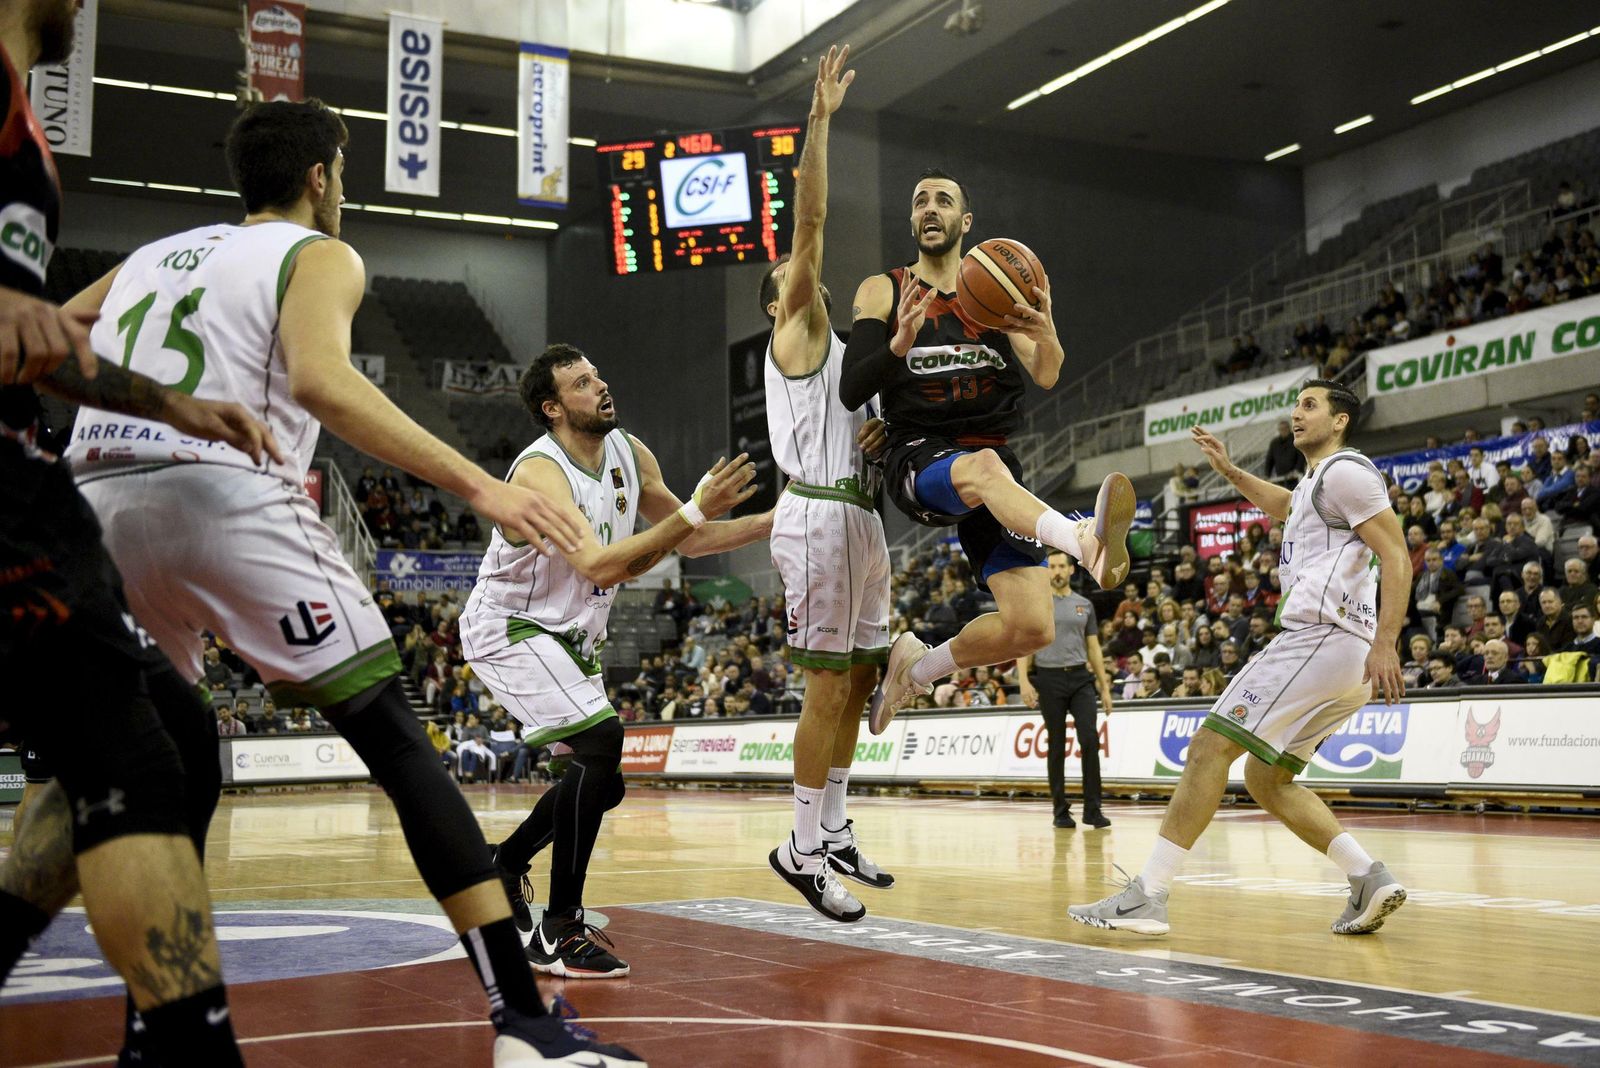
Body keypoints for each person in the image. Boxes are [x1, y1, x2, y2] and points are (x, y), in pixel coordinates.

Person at [59, 100, 639, 1065]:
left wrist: (141, 412)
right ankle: (529, 1028)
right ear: (322, 175)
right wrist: (478, 486)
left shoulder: (152, 256)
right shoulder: (319, 253)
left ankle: (162, 1035)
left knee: (173, 762)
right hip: (225, 498)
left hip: (100, 506)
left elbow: (56, 331)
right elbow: (325, 383)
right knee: (400, 745)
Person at [0, 2, 323, 1062]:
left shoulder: (21, 124)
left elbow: (35, 337)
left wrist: (177, 404)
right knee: (148, 746)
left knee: (161, 734)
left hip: (39, 479)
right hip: (11, 493)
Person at [461, 343, 770, 979]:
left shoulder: (630, 453)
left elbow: (696, 535)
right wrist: (693, 511)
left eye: (598, 374)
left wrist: (778, 519)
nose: (600, 386)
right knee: (602, 743)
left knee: (604, 783)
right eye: (581, 383)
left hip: (571, 637)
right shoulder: (540, 474)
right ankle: (559, 929)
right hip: (511, 627)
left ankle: (504, 863)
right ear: (552, 409)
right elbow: (600, 564)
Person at [1070, 381, 1411, 937]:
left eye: (1310, 405)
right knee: (1266, 777)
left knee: (1208, 746)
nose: (1296, 414)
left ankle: (1147, 895)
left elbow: (1396, 554)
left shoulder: (1347, 471)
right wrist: (1230, 473)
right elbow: (1286, 505)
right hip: (1342, 656)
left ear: (1341, 420)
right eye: (1296, 404)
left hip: (1321, 638)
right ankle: (1367, 877)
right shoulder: (1317, 483)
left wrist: (1388, 642)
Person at [841, 168, 1135, 725]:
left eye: (943, 201)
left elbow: (1046, 373)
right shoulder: (884, 289)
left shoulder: (996, 289)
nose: (930, 209)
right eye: (920, 201)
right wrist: (897, 345)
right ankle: (1081, 538)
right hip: (917, 454)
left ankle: (916, 669)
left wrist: (1046, 329)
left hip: (992, 464)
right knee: (984, 467)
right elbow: (851, 386)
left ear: (965, 221)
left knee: (1032, 627)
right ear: (911, 220)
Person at [755, 47, 897, 923]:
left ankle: (835, 825)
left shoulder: (855, 360)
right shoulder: (798, 333)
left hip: (861, 515)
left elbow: (872, 431)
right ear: (780, 305)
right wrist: (820, 123)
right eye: (794, 284)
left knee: (856, 679)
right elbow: (809, 224)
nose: (809, 282)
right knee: (823, 689)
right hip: (814, 515)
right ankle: (801, 849)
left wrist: (881, 440)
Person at [1017, 552, 1115, 829]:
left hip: (1081, 679)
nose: (1057, 571)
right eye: (1052, 567)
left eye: (1062, 566)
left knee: (1090, 741)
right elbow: (1023, 644)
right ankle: (1060, 811)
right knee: (1057, 745)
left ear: (1072, 570)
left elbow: (1094, 648)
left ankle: (1093, 810)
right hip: (1048, 679)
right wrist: (1024, 680)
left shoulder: (1084, 605)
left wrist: (1104, 687)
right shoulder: (1036, 604)